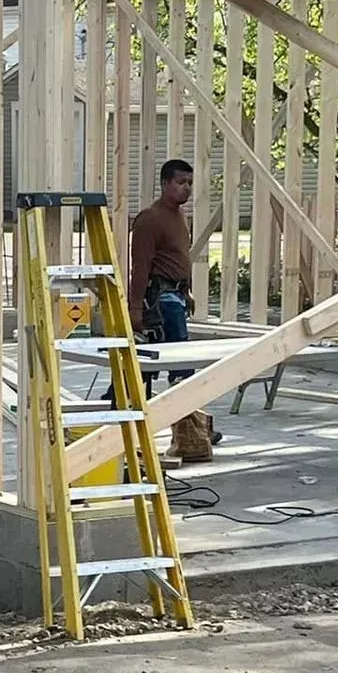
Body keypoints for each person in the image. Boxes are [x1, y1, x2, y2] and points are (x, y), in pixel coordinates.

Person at [127, 158, 217, 461]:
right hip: (161, 301)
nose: (186, 189)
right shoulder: (150, 219)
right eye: (180, 183)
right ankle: (185, 428)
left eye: (189, 183)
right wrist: (135, 308)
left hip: (176, 297)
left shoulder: (179, 217)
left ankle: (190, 426)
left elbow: (179, 258)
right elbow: (141, 267)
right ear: (165, 184)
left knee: (180, 365)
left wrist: (187, 290)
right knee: (173, 367)